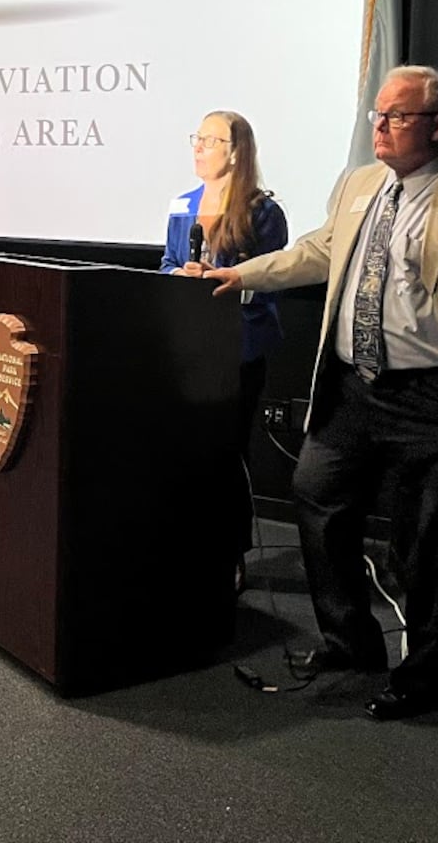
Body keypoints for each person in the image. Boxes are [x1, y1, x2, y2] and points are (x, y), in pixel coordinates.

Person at [203, 66, 438, 720]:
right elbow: (320, 250)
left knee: (426, 540)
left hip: (433, 396)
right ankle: (351, 642)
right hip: (352, 388)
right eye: (379, 114)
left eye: (397, 116)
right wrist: (239, 274)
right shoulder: (358, 186)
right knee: (316, 499)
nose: (380, 126)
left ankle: (423, 675)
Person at [160, 111, 288, 585]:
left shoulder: (263, 212)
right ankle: (188, 546)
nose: (197, 147)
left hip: (239, 347)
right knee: (187, 449)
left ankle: (231, 552)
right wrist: (180, 276)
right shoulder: (181, 204)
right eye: (196, 138)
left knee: (227, 450)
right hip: (187, 346)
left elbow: (271, 283)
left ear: (235, 152)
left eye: (209, 140)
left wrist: (225, 285)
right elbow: (167, 263)